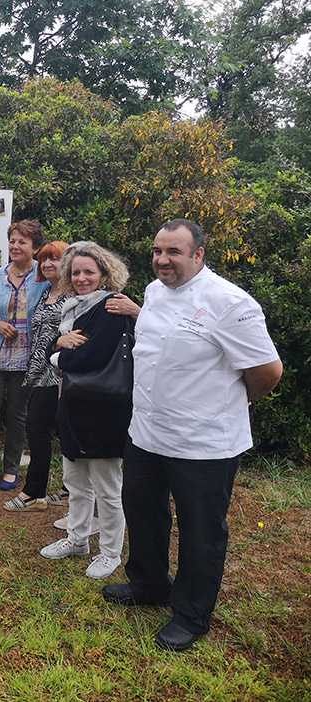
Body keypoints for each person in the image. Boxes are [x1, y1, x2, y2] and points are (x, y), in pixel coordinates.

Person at [103, 219, 282, 652]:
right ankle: (148, 583)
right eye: (158, 251)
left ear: (198, 255)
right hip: (147, 431)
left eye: (174, 252)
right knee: (143, 512)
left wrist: (234, 403)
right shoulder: (153, 291)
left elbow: (267, 371)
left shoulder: (230, 302)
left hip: (204, 442)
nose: (163, 260)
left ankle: (191, 613)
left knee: (201, 530)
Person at [38, 242, 133, 580]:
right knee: (75, 481)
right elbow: (59, 343)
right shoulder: (73, 310)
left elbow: (95, 355)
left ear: (105, 274)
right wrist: (58, 346)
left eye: (89, 272)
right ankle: (77, 539)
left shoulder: (110, 307)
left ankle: (110, 552)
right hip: (74, 403)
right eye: (75, 272)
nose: (81, 278)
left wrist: (57, 356)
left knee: (107, 488)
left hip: (105, 408)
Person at [0, 220, 50, 490]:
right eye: (13, 241)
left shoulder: (45, 277)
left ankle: (11, 468)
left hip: (27, 356)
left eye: (23, 242)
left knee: (18, 413)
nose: (16, 246)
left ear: (35, 248)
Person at [4, 240, 69, 512]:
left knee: (40, 428)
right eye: (44, 259)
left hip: (59, 374)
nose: (48, 264)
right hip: (39, 370)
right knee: (52, 429)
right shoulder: (46, 292)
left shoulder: (74, 294)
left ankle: (34, 492)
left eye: (55, 259)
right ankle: (68, 489)